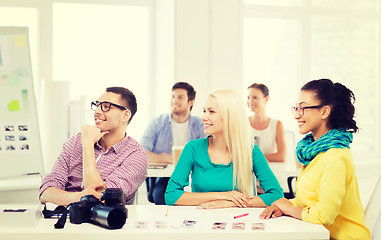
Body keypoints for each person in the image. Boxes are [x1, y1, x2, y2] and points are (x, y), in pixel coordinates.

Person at [260, 79, 371, 240]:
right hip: (321, 234)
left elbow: (324, 216)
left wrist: (288, 209)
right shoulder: (313, 152)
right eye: (296, 108)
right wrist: (285, 205)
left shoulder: (335, 157)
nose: (296, 114)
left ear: (324, 112)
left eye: (303, 108)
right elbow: (307, 201)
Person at [165, 89, 283, 208]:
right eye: (204, 111)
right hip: (202, 219)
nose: (204, 117)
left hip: (238, 221)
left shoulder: (251, 152)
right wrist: (223, 195)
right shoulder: (193, 148)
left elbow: (276, 195)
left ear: (230, 116)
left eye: (211, 111)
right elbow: (171, 195)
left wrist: (229, 203)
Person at [40, 87, 147, 206]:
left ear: (125, 115)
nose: (97, 112)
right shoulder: (75, 142)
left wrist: (88, 146)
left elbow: (101, 199)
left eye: (106, 107)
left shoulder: (136, 155)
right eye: (97, 105)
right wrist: (80, 196)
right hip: (65, 220)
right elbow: (46, 192)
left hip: (103, 222)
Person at [140, 82, 205, 205]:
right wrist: (169, 158)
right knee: (162, 196)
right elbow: (142, 153)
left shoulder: (200, 124)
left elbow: (208, 153)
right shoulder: (157, 123)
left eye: (180, 97)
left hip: (194, 177)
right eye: (172, 96)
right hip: (166, 179)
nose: (174, 100)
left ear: (190, 102)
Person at [247, 83, 286, 162]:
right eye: (248, 97)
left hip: (270, 169)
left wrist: (256, 157)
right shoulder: (243, 123)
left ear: (266, 99)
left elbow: (281, 156)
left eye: (255, 97)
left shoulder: (277, 125)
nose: (250, 101)